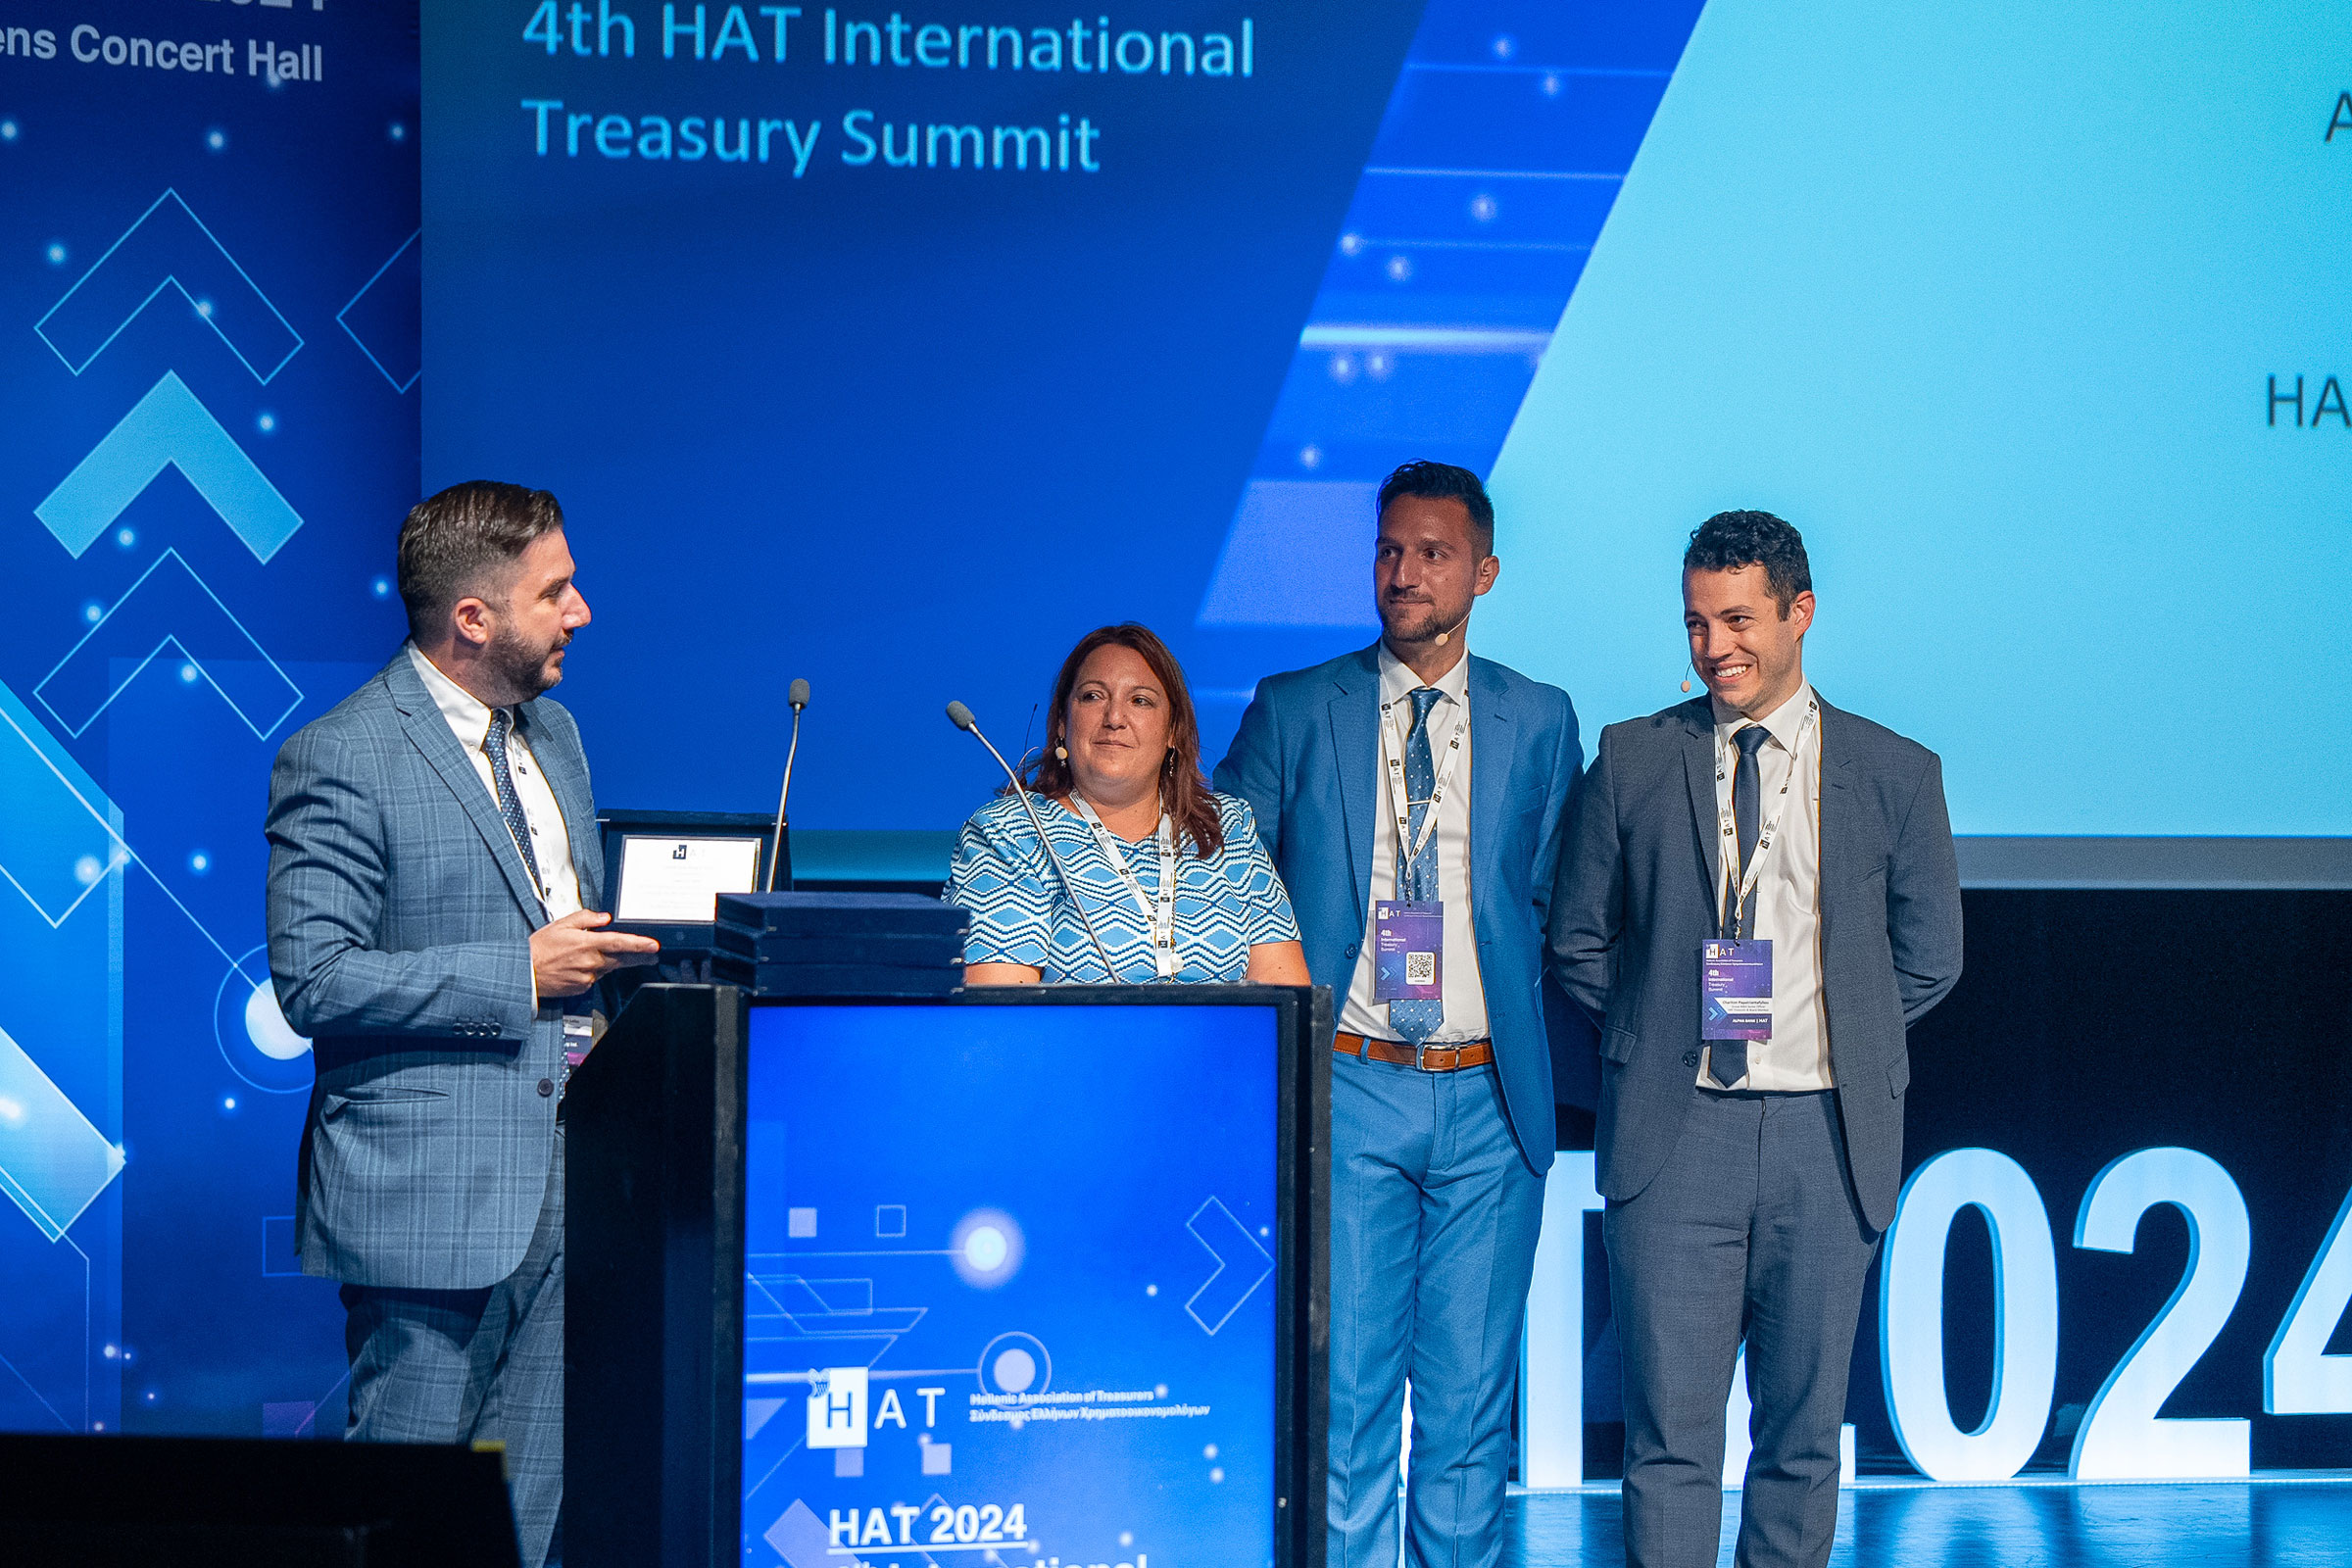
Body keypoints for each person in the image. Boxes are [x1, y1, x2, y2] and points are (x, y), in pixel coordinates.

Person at [1549, 511, 1963, 1568]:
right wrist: (1654, 1031)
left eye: (1737, 619)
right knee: (1669, 1441)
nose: (1713, 646)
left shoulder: (1894, 770)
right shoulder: (1635, 757)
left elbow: (1931, 956)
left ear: (1799, 613)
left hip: (1828, 1137)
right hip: (1676, 1133)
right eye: (1696, 622)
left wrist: (1837, 1032)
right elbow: (1579, 939)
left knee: (1802, 1442)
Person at [265, 481, 656, 1568]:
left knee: (532, 1510)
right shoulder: (341, 754)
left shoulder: (556, 734)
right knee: (407, 1512)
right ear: (473, 618)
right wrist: (517, 974)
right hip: (430, 1195)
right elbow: (314, 980)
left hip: (578, 1175)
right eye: (555, 592)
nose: (581, 612)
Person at [1214, 461, 1584, 1568]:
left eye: (1431, 553)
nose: (1404, 573)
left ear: (1484, 572)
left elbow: (1551, 896)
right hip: (1350, 1079)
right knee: (1349, 1403)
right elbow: (1227, 873)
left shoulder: (1540, 717)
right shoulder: (1296, 705)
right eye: (1388, 550)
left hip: (1489, 1095)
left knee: (1469, 1416)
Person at [946, 622, 1308, 985]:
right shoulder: (1011, 833)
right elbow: (1001, 1007)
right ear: (1061, 723)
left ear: (1172, 731)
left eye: (1140, 701)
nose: (1114, 719)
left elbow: (1286, 998)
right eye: (1093, 696)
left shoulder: (1227, 827)